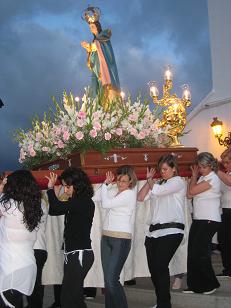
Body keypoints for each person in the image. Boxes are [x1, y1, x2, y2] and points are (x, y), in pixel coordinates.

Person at [137, 154, 186, 308]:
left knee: (160, 266)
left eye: (165, 169)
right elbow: (140, 197)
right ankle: (161, 302)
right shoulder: (158, 184)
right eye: (161, 170)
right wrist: (148, 180)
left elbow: (158, 191)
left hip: (172, 230)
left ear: (174, 168)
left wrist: (152, 182)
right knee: (155, 270)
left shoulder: (178, 182)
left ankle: (165, 304)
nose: (162, 172)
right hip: (153, 233)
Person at [46, 167, 95, 308]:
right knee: (73, 297)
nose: (65, 190)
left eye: (68, 186)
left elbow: (57, 206)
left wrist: (50, 188)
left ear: (78, 186)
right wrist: (54, 192)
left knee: (69, 298)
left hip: (79, 255)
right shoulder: (76, 202)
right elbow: (54, 211)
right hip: (73, 254)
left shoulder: (83, 202)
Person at [0, 170, 42, 308]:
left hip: (11, 270)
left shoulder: (9, 206)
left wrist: (1, 187)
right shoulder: (33, 207)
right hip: (28, 266)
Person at [100, 165, 137, 308]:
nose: (120, 184)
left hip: (120, 239)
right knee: (107, 280)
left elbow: (106, 204)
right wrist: (107, 186)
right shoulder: (115, 190)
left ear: (130, 182)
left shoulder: (129, 194)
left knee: (111, 279)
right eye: (119, 180)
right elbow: (97, 197)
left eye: (123, 181)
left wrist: (105, 185)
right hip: (106, 237)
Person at [184, 152, 221, 295]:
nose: (200, 169)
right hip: (199, 219)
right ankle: (195, 285)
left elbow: (191, 190)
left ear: (211, 165)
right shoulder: (203, 178)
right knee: (192, 252)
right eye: (199, 167)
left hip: (209, 219)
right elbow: (189, 195)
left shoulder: (212, 178)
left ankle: (210, 283)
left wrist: (193, 177)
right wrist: (195, 178)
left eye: (202, 167)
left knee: (200, 253)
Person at [81, 6, 120, 107]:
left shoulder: (103, 36)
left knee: (104, 86)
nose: (91, 29)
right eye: (90, 28)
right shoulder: (96, 40)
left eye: (93, 27)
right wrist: (88, 49)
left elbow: (101, 47)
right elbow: (94, 52)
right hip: (96, 67)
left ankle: (108, 106)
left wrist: (89, 47)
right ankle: (97, 107)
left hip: (104, 67)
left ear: (98, 27)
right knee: (96, 86)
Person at [25, 195, 49, 308]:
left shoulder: (38, 203)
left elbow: (30, 224)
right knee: (32, 285)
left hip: (36, 248)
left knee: (34, 286)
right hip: (33, 248)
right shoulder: (39, 202)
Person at [217, 148, 231, 277]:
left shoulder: (225, 175)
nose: (225, 165)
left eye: (227, 162)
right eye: (223, 163)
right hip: (224, 211)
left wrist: (216, 169)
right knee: (224, 241)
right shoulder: (225, 174)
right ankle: (228, 269)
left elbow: (229, 182)